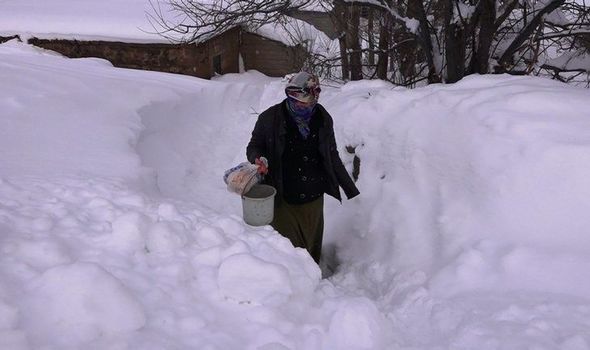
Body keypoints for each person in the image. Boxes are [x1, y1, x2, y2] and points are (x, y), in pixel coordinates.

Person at [246, 72, 359, 264]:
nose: (301, 106)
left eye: (306, 103)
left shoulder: (323, 118)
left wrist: (350, 189)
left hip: (313, 197)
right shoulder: (270, 118)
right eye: (296, 101)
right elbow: (254, 146)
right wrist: (258, 158)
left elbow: (331, 155)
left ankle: (315, 284)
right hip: (283, 196)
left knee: (311, 246)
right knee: (288, 251)